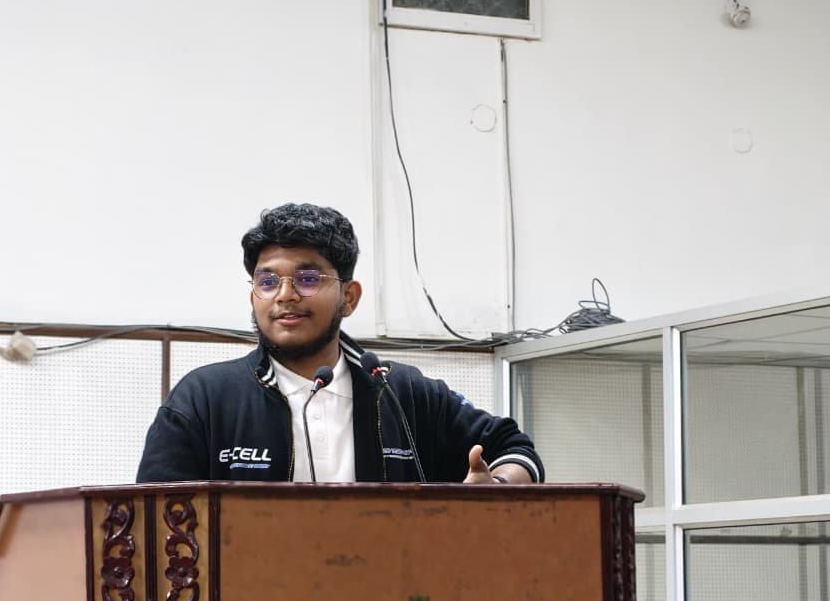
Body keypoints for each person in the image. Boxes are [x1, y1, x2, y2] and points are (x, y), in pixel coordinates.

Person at [136, 202, 544, 485]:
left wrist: (496, 488)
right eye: (268, 281)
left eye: (308, 279)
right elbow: (154, 518)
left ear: (349, 298)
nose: (285, 295)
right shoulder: (204, 398)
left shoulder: (401, 393)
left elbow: (515, 449)